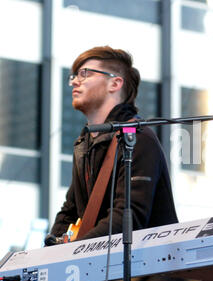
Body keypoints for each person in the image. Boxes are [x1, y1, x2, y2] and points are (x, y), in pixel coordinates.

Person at [48, 46, 178, 242]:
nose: (74, 81)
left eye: (85, 74)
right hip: (101, 265)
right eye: (74, 76)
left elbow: (127, 217)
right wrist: (47, 255)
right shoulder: (85, 143)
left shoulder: (138, 138)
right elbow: (70, 212)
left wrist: (73, 252)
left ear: (115, 83)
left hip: (143, 269)